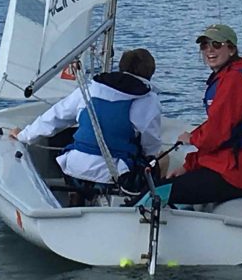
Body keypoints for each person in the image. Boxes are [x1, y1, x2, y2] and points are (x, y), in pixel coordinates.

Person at [9, 48, 162, 194]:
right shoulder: (148, 100)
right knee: (159, 160)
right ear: (150, 73)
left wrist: (23, 135)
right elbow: (150, 146)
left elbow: (55, 117)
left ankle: (75, 197)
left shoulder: (91, 88)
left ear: (121, 67)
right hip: (116, 175)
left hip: (74, 167)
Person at [165, 24, 242, 205]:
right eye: (204, 45)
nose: (209, 50)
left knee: (157, 193)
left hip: (234, 174)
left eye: (217, 44)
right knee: (165, 186)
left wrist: (192, 139)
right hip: (230, 166)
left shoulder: (234, 80)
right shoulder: (229, 76)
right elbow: (219, 127)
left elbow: (216, 133)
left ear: (232, 49)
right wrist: (189, 165)